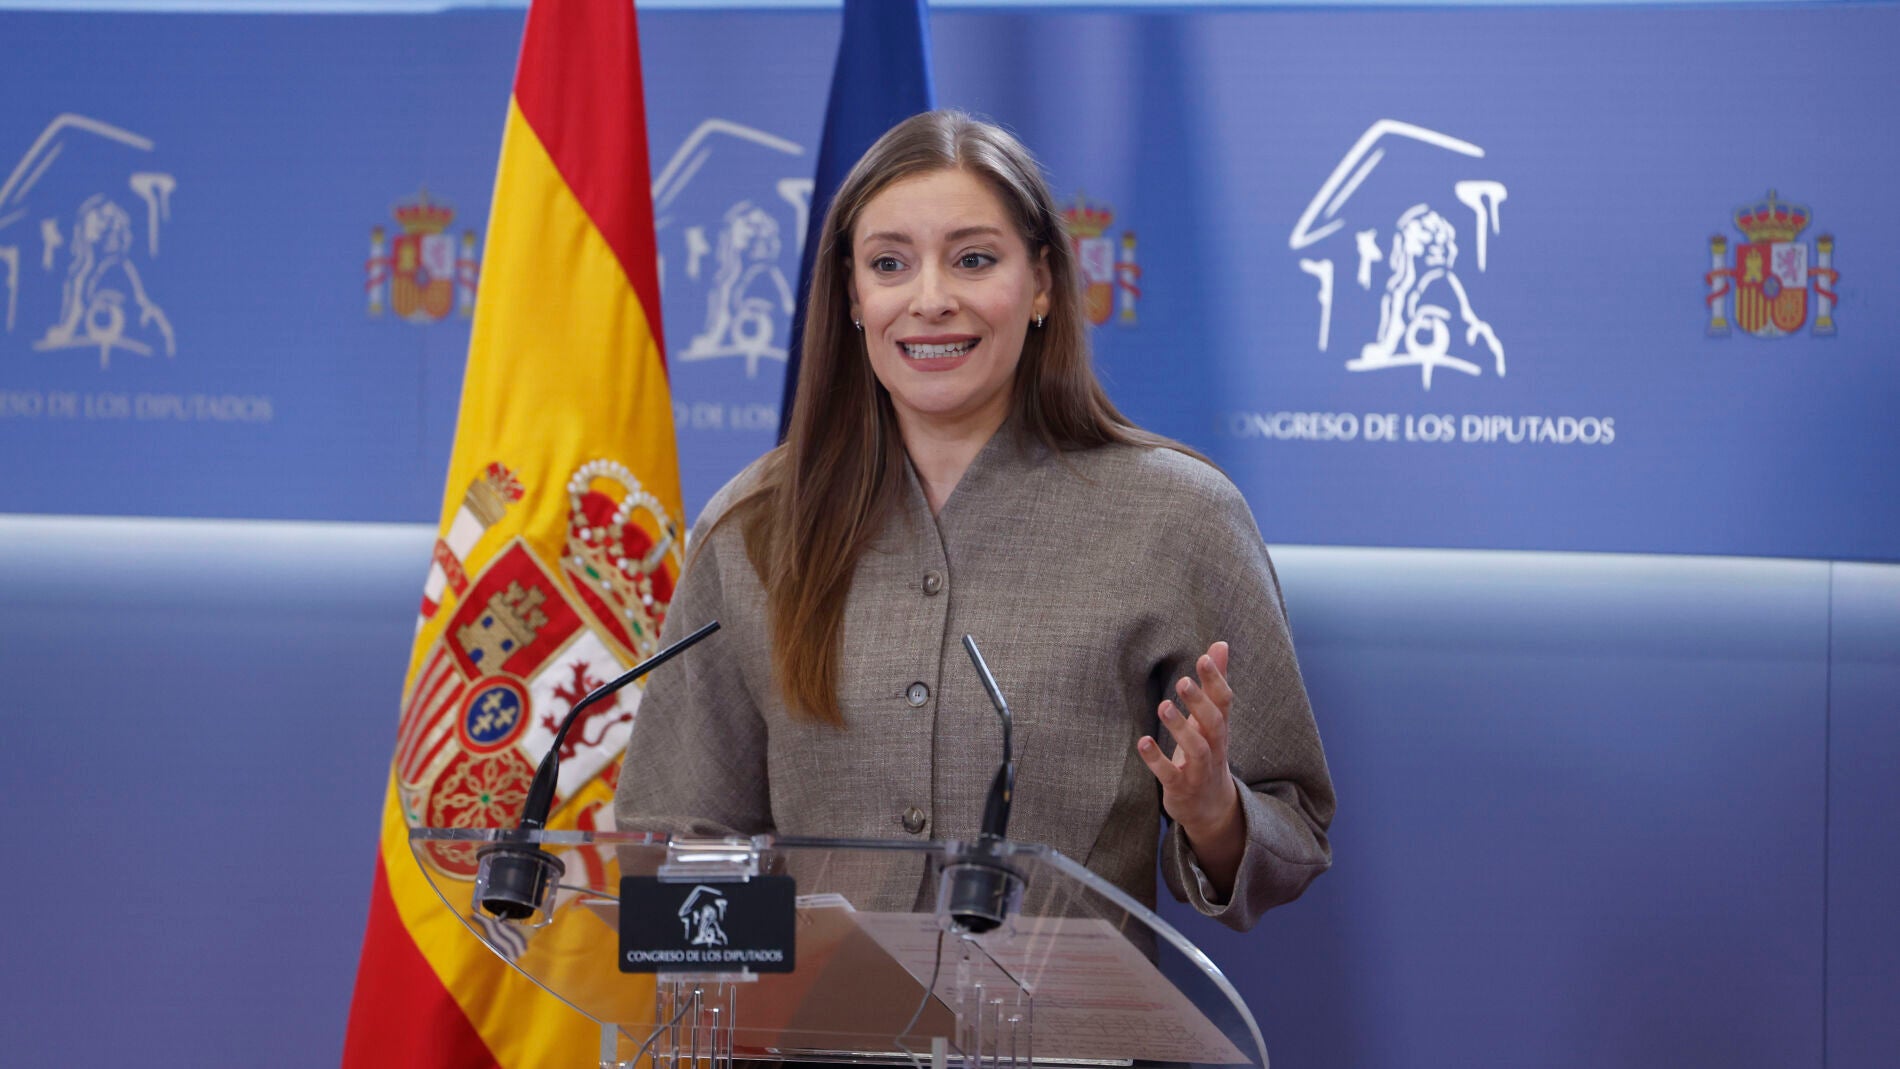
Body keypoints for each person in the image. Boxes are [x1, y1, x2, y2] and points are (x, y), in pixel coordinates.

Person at [615, 110, 1332, 931]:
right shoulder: (752, 527)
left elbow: (1292, 830)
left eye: (973, 260)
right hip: (816, 1012)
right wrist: (808, 979)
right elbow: (679, 845)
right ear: (852, 295)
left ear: (1042, 283)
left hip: (1068, 1015)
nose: (930, 299)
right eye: (889, 264)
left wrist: (1213, 810)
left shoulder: (1179, 517)